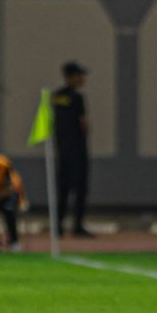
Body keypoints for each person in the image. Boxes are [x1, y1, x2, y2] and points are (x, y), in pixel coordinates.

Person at [53, 61, 92, 237]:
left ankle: (58, 225)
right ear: (70, 76)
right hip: (77, 150)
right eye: (79, 75)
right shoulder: (77, 98)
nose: (82, 78)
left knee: (62, 189)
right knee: (80, 189)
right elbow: (83, 124)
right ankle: (77, 226)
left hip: (62, 149)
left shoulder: (56, 96)